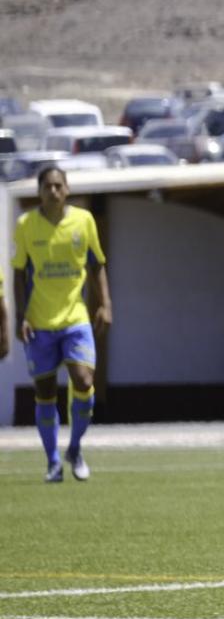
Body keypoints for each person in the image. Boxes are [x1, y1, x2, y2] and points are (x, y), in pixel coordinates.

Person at [11, 167, 110, 482]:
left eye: (58, 186)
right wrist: (21, 316)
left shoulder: (84, 221)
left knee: (83, 380)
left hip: (75, 318)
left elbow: (96, 264)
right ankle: (53, 461)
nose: (53, 191)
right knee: (45, 391)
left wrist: (105, 304)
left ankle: (75, 448)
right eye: (47, 187)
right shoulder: (26, 225)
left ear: (67, 190)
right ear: (39, 192)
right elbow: (19, 273)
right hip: (40, 322)